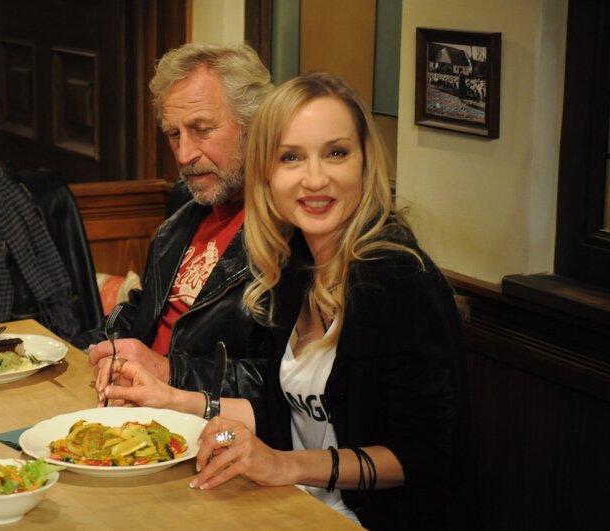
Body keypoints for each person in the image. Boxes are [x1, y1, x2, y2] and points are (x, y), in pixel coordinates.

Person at [102, 72, 470, 530]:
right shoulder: (293, 263)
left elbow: (425, 456)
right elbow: (283, 409)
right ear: (266, 175)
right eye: (291, 157)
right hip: (291, 506)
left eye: (336, 153)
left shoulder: (394, 276)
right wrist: (171, 398)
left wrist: (286, 465)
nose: (315, 178)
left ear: (365, 163)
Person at [75, 42, 274, 396]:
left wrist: (168, 371)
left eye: (202, 129)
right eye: (173, 134)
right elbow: (141, 310)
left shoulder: (288, 231)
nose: (184, 155)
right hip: (131, 405)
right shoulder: (183, 215)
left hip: (214, 431)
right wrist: (85, 352)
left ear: (253, 125)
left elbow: (280, 392)